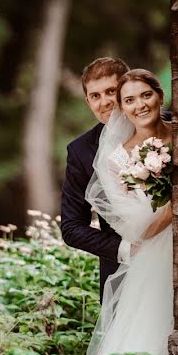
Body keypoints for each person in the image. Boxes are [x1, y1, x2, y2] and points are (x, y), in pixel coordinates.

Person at [84, 68, 173, 355]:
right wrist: (176, 208)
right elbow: (133, 227)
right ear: (122, 108)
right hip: (156, 255)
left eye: (146, 95)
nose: (140, 105)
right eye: (130, 100)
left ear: (160, 95)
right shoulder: (118, 160)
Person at [60, 57, 130, 302]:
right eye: (95, 96)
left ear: (127, 88)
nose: (105, 102)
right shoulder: (80, 151)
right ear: (88, 101)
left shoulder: (169, 126)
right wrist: (125, 249)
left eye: (111, 91)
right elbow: (71, 228)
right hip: (121, 273)